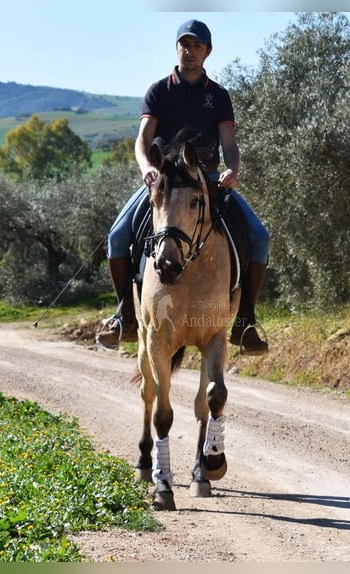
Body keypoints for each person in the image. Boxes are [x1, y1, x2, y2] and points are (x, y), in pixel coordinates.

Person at [96, 18, 270, 355]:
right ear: (177, 48)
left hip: (206, 181)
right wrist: (147, 167)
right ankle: (125, 317)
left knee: (259, 238)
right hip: (164, 182)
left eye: (196, 46)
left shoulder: (218, 96)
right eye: (184, 45)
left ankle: (245, 320)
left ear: (208, 52)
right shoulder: (159, 91)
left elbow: (229, 143)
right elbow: (142, 140)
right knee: (117, 238)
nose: (189, 52)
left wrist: (232, 170)